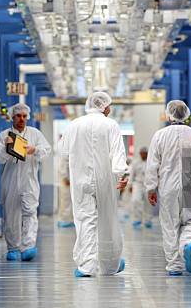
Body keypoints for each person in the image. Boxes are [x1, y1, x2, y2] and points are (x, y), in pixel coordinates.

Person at [58, 91, 129, 277]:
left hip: (81, 181)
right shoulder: (111, 124)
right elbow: (118, 152)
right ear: (105, 107)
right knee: (107, 220)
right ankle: (111, 264)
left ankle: (86, 266)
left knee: (85, 221)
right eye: (109, 105)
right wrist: (122, 174)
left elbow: (62, 150)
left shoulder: (74, 124)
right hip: (105, 180)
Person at [145, 100, 191, 276]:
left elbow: (152, 165)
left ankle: (174, 265)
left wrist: (151, 189)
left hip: (168, 188)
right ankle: (189, 245)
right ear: (186, 114)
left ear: (169, 114)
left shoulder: (160, 136)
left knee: (170, 225)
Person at [0, 103, 51, 261]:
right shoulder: (4, 135)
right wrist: (7, 148)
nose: (21, 119)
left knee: (30, 212)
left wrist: (35, 150)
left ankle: (28, 246)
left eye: (24, 116)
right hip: (10, 181)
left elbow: (46, 150)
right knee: (11, 214)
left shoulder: (35, 134)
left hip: (29, 181)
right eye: (18, 116)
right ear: (13, 117)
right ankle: (13, 247)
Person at [130, 147, 154, 229]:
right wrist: (130, 185)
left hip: (149, 185)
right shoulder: (135, 163)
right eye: (142, 153)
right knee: (135, 200)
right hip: (138, 184)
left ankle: (148, 220)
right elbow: (131, 174)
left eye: (145, 153)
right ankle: (137, 219)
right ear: (140, 153)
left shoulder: (151, 162)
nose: (143, 154)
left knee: (148, 203)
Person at [56, 154, 75, 228]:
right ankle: (64, 220)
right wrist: (65, 177)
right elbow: (62, 166)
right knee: (65, 201)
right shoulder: (65, 152)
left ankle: (67, 220)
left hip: (67, 179)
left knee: (67, 201)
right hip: (65, 180)